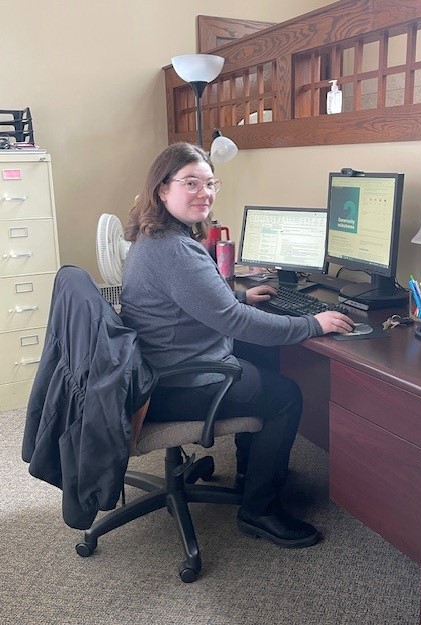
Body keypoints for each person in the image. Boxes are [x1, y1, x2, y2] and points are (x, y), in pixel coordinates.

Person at [120, 142, 354, 549]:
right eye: (191, 183)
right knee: (285, 397)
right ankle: (259, 510)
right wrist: (311, 323)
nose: (204, 193)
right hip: (175, 384)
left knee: (261, 354)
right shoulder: (176, 251)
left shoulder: (153, 236)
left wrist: (240, 298)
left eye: (210, 183)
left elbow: (199, 304)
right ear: (162, 189)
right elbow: (232, 322)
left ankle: (254, 468)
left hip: (155, 369)